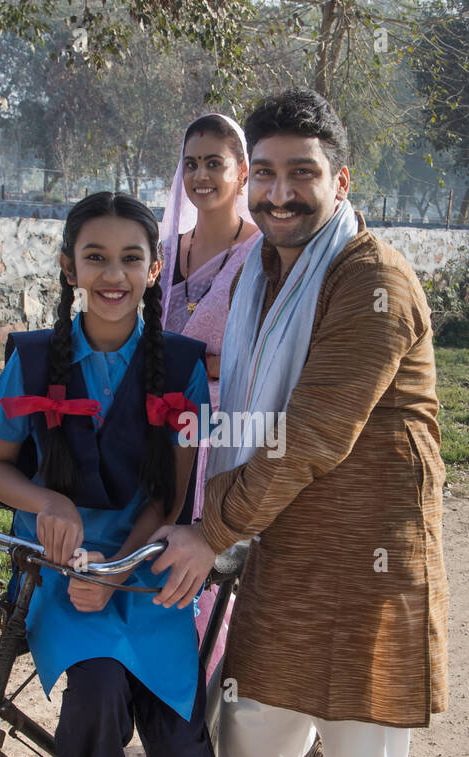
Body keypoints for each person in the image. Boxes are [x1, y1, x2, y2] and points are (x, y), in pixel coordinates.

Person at [147, 89, 451, 757]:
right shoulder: (259, 277)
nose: (281, 193)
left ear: (340, 181)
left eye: (303, 174)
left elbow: (313, 431)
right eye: (269, 174)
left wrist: (210, 529)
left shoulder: (372, 281)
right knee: (245, 756)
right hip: (283, 556)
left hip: (369, 569)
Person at [0, 191, 236, 757]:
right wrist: (48, 504)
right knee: (93, 694)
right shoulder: (32, 361)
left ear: (154, 271)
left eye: (130, 258)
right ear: (70, 269)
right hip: (60, 573)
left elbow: (170, 496)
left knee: (179, 745)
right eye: (96, 258)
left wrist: (120, 566)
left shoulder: (179, 367)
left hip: (147, 567)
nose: (112, 274)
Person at [158, 112, 260, 712]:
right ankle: (164, 693)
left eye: (214, 163)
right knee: (156, 554)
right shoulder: (166, 252)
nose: (200, 175)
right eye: (190, 163)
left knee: (208, 570)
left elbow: (265, 354)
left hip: (222, 429)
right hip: (159, 429)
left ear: (241, 171)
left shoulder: (262, 255)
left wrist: (195, 367)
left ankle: (201, 709)